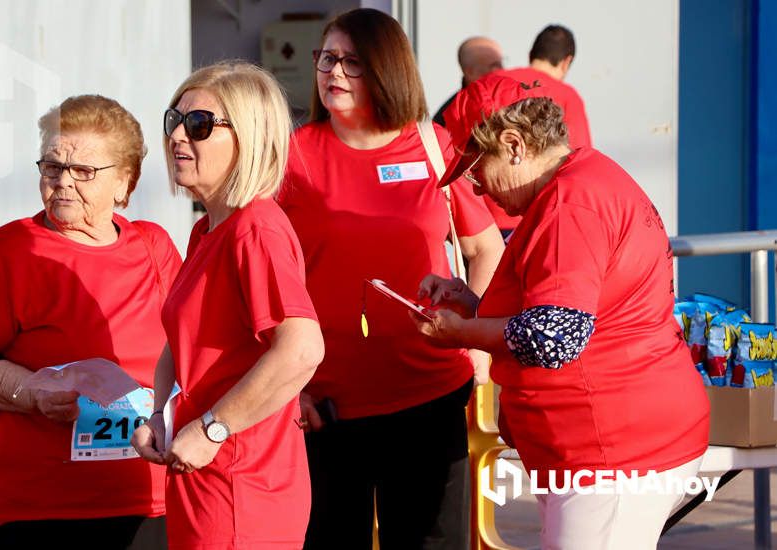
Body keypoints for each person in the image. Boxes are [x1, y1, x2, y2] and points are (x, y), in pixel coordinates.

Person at [413, 73, 709, 549]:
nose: (479, 188)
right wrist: (469, 305)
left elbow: (553, 336)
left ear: (513, 145)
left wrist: (460, 334)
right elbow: (559, 309)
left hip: (613, 450)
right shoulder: (584, 180)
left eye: (476, 169)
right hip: (613, 444)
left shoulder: (571, 202)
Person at [280, 8, 505, 549]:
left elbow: (484, 247)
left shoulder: (433, 146)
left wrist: (479, 345)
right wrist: (286, 386)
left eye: (350, 62)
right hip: (327, 407)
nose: (333, 72)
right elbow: (266, 274)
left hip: (430, 396)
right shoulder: (291, 155)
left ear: (386, 68)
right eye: (326, 58)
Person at [0, 94, 182, 549]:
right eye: (51, 167)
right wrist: (30, 393)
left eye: (84, 171)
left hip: (149, 496)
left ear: (126, 181)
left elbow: (191, 343)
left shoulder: (154, 246)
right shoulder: (7, 252)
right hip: (40, 508)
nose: (63, 182)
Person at [130, 61, 325, 550]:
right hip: (202, 476)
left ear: (251, 138)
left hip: (244, 486)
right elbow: (182, 345)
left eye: (198, 126)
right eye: (174, 121)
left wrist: (213, 428)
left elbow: (301, 349)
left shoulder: (255, 228)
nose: (178, 137)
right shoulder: (209, 230)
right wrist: (160, 416)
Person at [492, 24, 592, 234]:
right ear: (567, 62)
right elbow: (578, 162)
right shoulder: (566, 96)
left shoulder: (492, 83)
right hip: (535, 220)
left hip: (483, 222)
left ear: (531, 54)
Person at [432, 36, 504, 126]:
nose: (502, 71)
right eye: (494, 66)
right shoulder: (451, 117)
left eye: (502, 63)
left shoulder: (514, 103)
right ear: (470, 72)